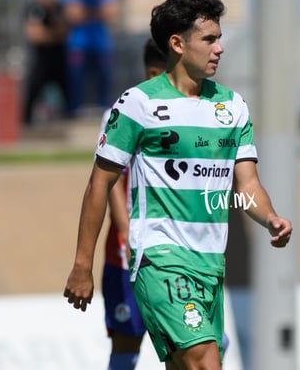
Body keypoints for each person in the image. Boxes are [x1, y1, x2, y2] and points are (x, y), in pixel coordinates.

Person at [64, 0, 292, 370]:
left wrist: (270, 218)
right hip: (161, 259)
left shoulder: (232, 106)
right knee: (202, 361)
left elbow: (248, 185)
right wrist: (82, 264)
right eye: (209, 39)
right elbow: (100, 184)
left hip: (211, 265)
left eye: (219, 38)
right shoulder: (137, 104)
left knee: (187, 365)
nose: (219, 48)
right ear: (177, 43)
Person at [100, 38, 167, 370]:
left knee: (206, 345)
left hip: (173, 252)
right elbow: (108, 178)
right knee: (126, 345)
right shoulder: (124, 111)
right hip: (126, 256)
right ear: (156, 71)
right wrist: (125, 229)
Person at [63, 0, 119, 117]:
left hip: (101, 44)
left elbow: (111, 12)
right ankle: (73, 115)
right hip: (78, 45)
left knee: (104, 82)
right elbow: (72, 14)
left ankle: (107, 117)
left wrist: (85, 11)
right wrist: (97, 11)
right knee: (76, 82)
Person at [23, 0, 69, 126]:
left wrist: (50, 31)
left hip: (58, 59)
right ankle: (25, 125)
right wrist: (52, 35)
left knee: (67, 93)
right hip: (40, 61)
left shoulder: (58, 7)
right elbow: (35, 34)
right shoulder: (32, 8)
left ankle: (68, 123)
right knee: (32, 92)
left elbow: (63, 32)